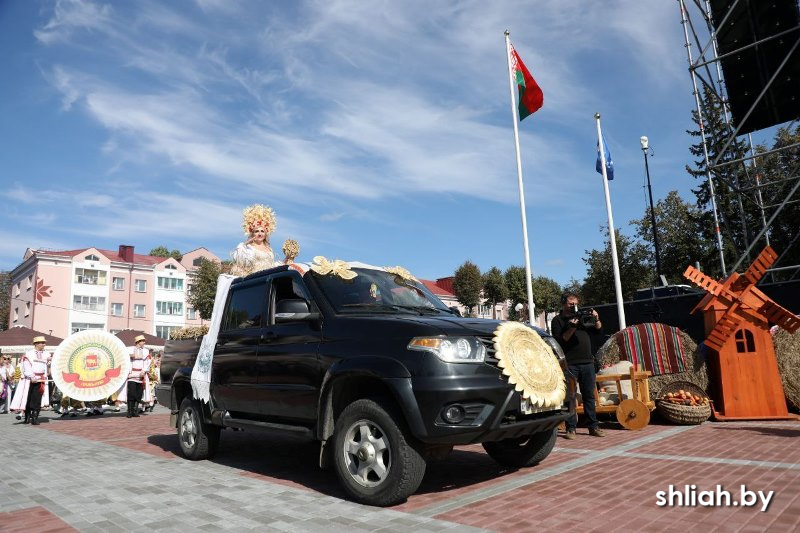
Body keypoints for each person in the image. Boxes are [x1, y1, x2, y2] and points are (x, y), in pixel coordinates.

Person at [551, 292, 605, 439]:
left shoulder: (582, 317)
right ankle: (571, 428)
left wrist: (596, 318)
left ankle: (593, 426)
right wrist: (572, 327)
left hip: (587, 362)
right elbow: (561, 341)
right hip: (570, 363)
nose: (574, 306)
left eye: (575, 304)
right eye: (570, 304)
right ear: (563, 304)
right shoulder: (558, 320)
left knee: (589, 395)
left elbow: (599, 331)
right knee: (570, 396)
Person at [230, 204, 297, 276]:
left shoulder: (269, 249)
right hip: (255, 278)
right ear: (253, 234)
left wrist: (286, 259)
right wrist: (247, 242)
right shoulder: (249, 247)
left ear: (265, 234)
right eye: (256, 231)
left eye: (262, 231)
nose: (259, 234)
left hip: (268, 277)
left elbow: (272, 266)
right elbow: (240, 259)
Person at [9, 336, 51, 425]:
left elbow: (47, 366)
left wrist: (48, 366)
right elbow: (26, 366)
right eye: (42, 343)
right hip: (29, 379)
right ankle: (27, 417)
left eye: (44, 343)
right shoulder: (29, 354)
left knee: (37, 398)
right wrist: (32, 376)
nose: (44, 344)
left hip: (41, 379)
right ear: (36, 344)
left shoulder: (47, 354)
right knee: (27, 397)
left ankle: (35, 418)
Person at [117, 335, 151, 418]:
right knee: (131, 393)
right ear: (138, 342)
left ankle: (135, 411)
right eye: (142, 341)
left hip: (141, 374)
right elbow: (123, 358)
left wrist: (144, 371)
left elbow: (147, 362)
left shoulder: (146, 351)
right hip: (131, 374)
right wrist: (130, 356)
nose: (144, 342)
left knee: (139, 393)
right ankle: (129, 411)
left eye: (144, 341)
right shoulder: (129, 349)